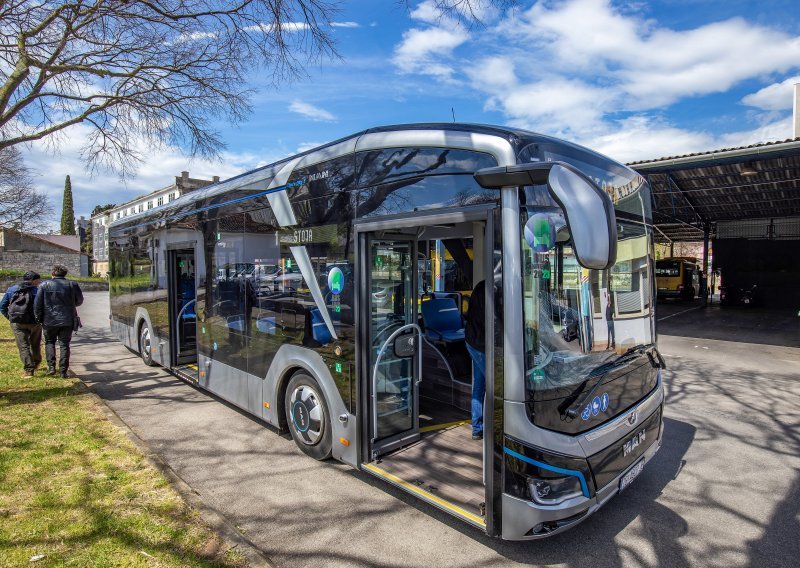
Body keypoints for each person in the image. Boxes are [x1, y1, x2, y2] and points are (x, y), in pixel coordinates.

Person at [34, 265, 84, 378]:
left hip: (49, 320)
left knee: (49, 342)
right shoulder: (72, 284)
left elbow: (38, 305)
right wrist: (70, 304)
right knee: (64, 345)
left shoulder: (44, 285)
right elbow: (79, 301)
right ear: (65, 274)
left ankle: (51, 367)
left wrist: (39, 318)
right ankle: (63, 371)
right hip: (67, 319)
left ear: (52, 274)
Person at [0, 271, 43, 376]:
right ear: (34, 280)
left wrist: (11, 318)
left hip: (17, 322)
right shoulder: (38, 291)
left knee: (23, 345)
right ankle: (36, 362)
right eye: (38, 280)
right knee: (35, 343)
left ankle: (29, 370)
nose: (40, 281)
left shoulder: (12, 290)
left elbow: (2, 306)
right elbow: (43, 307)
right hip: (35, 322)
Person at [464, 280, 486, 441]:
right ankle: (494, 428)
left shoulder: (481, 285)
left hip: (473, 340)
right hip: (481, 343)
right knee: (495, 387)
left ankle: (477, 428)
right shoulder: (497, 288)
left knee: (479, 386)